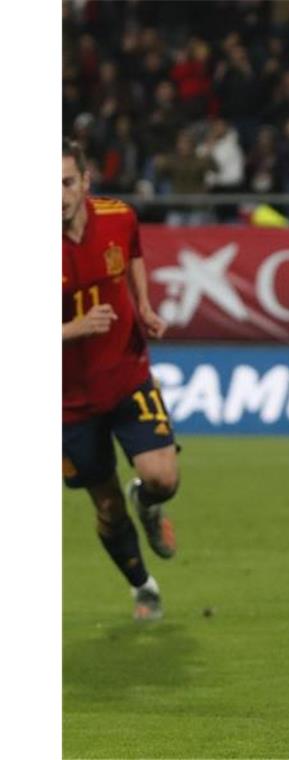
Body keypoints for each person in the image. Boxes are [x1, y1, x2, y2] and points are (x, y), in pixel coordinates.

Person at [62, 139, 181, 621]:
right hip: (67, 402)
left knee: (163, 478)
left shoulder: (118, 216)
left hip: (128, 374)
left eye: (65, 182)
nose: (56, 195)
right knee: (107, 507)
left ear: (85, 182)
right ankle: (143, 586)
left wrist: (145, 306)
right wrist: (70, 330)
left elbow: (132, 254)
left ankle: (148, 504)